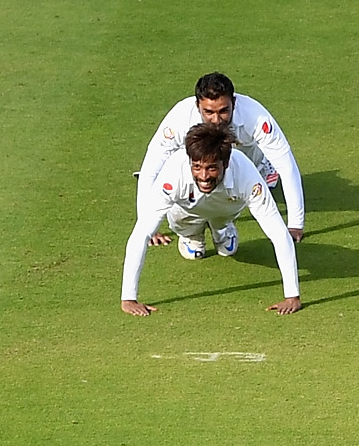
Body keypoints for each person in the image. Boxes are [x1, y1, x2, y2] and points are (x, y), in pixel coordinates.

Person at [122, 122, 299, 316]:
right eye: (197, 167)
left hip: (226, 208)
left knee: (227, 248)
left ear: (226, 162)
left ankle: (223, 230)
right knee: (192, 249)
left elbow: (279, 233)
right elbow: (141, 234)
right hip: (186, 211)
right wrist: (129, 298)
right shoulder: (172, 174)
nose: (204, 176)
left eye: (212, 168)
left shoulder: (247, 176)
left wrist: (292, 296)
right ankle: (192, 236)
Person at [138, 72, 304, 251]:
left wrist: (295, 223)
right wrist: (146, 227)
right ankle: (191, 234)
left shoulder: (256, 117)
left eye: (223, 111)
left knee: (240, 186)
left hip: (247, 166)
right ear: (197, 106)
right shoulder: (179, 118)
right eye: (208, 112)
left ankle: (263, 170)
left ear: (234, 102)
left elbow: (286, 165)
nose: (216, 120)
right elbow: (151, 167)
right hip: (207, 171)